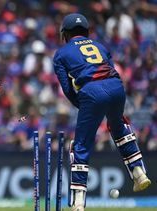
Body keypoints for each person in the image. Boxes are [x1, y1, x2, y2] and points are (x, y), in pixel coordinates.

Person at [53, 13, 151, 211]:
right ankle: (138, 171)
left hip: (91, 91)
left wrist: (84, 105)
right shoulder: (100, 46)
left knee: (80, 145)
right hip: (116, 88)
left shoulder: (61, 54)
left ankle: (78, 203)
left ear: (65, 34)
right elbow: (112, 71)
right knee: (118, 126)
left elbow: (67, 88)